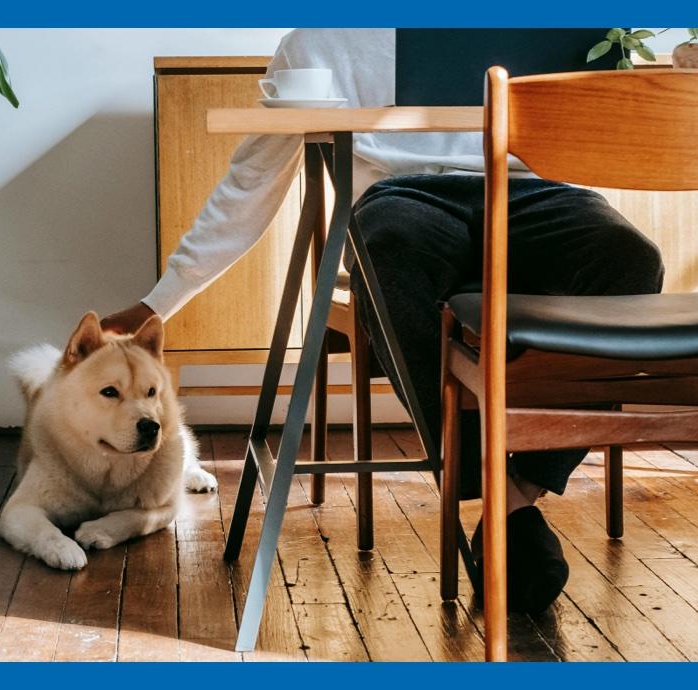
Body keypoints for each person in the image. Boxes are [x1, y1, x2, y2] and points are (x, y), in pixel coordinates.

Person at [103, 29, 664, 615]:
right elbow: (251, 184)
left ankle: (514, 494)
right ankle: (490, 485)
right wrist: (158, 303)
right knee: (389, 253)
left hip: (537, 190)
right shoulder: (318, 41)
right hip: (406, 198)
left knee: (632, 260)